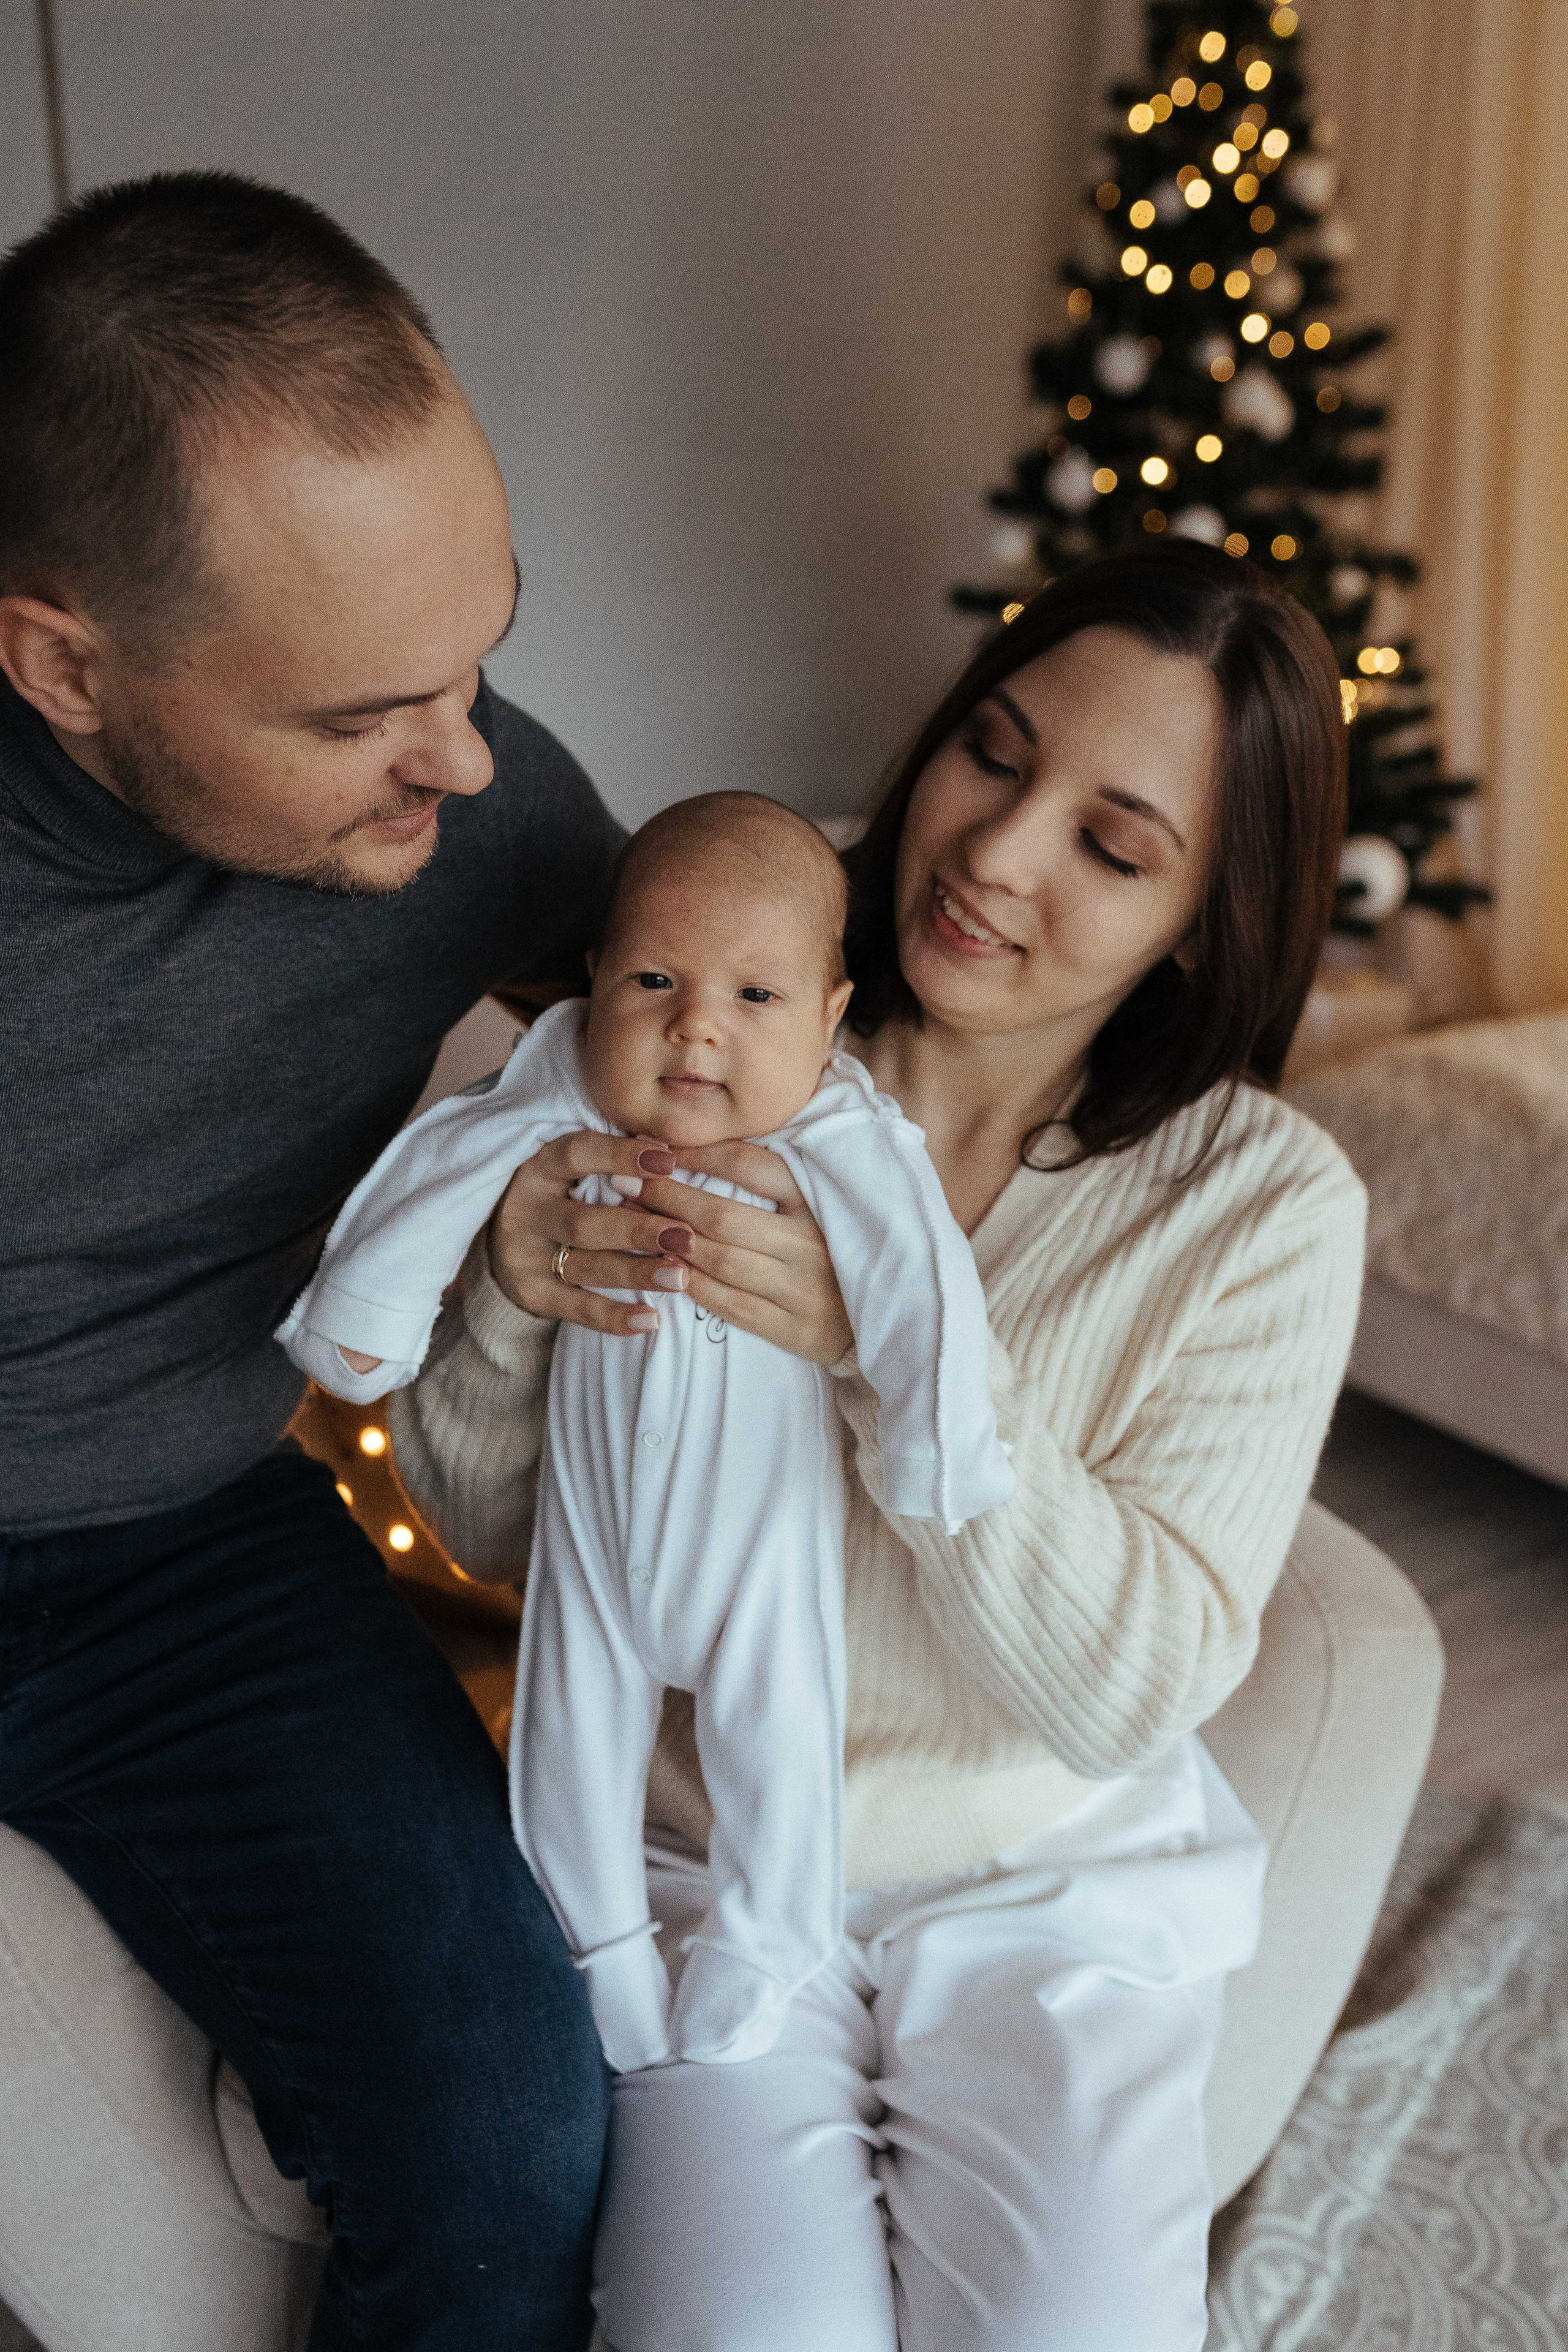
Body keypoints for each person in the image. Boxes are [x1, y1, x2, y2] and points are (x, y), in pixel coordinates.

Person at [388, 540, 1368, 2351]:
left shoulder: (1262, 1205)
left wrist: (892, 1356)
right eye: (995, 754)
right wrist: (513, 1301)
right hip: (698, 1867)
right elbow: (493, 1529)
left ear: (1206, 915)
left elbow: (1126, 1686)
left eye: (1112, 843)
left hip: (1044, 1892)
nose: (997, 852)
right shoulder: (719, 1033)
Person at [0, 173, 625, 2350]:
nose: (459, 760)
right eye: (362, 713)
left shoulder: (483, 809)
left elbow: (772, 1012)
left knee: (515, 2145)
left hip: (196, 1547)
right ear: (65, 661)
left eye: (485, 654)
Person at [276, 792, 1012, 2076]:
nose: (695, 1025)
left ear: (832, 1019)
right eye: (656, 979)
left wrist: (936, 1448)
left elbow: (920, 1280)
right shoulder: (556, 1083)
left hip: (757, 1551)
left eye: (756, 997)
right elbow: (441, 1161)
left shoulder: (839, 1134)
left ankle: (767, 1938)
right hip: (590, 1538)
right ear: (596, 984)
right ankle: (596, 1944)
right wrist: (361, 1322)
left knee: (780, 1739)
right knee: (565, 1739)